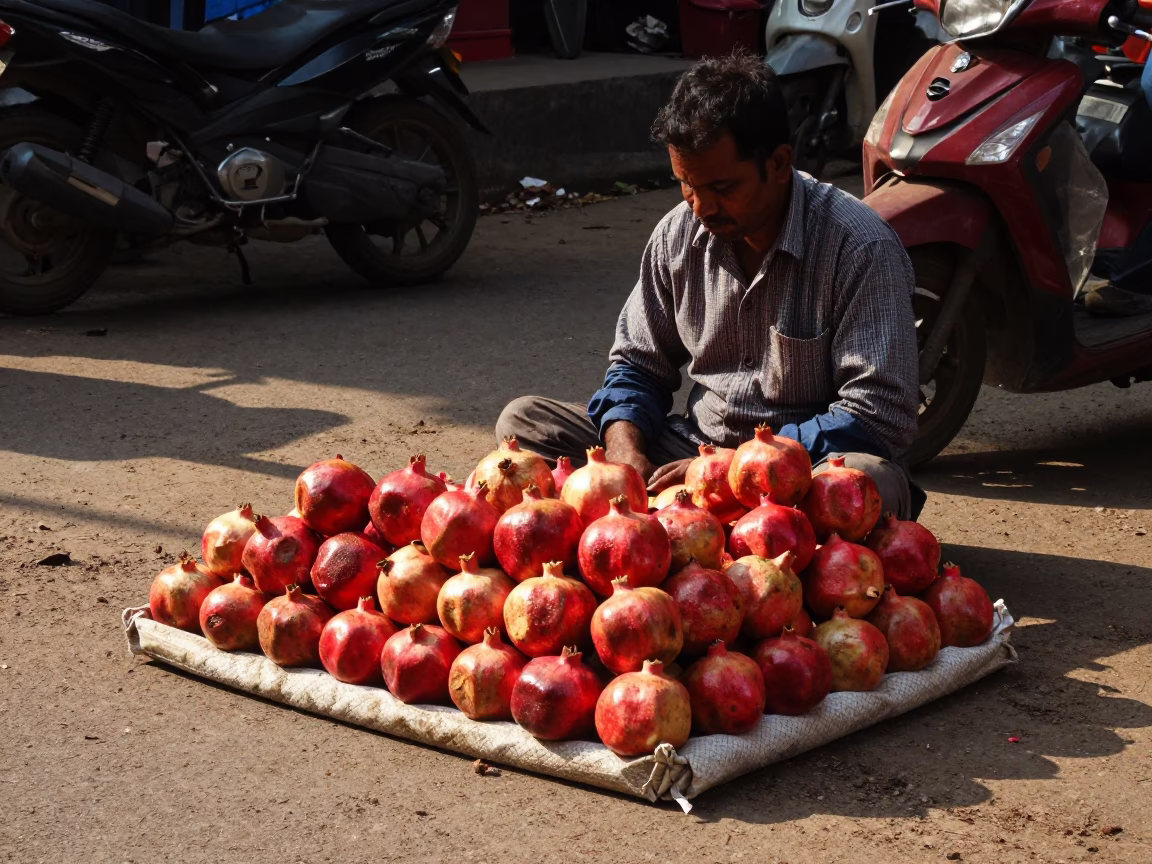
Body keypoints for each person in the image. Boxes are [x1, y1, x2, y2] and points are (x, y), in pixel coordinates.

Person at [496, 49, 924, 519]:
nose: (701, 206)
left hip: (806, 471)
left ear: (779, 164)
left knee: (866, 480)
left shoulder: (859, 246)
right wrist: (625, 453)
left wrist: (736, 467)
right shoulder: (679, 233)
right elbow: (638, 366)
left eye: (722, 188)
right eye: (686, 184)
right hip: (691, 450)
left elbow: (877, 416)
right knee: (525, 422)